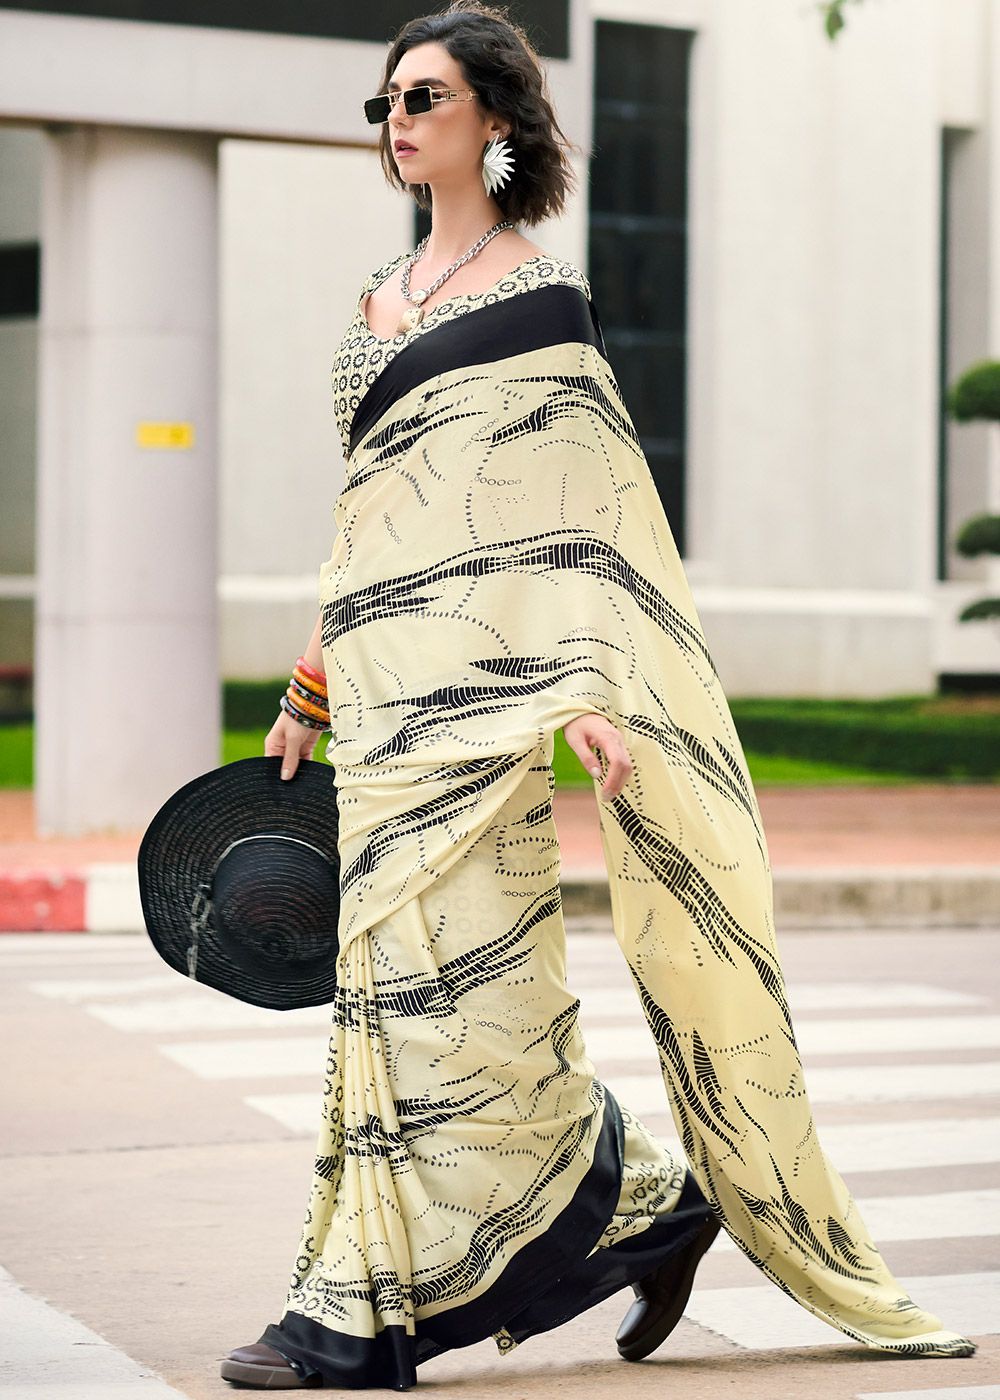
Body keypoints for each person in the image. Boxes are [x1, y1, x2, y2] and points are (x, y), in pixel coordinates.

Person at [221, 2, 977, 1388]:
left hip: (492, 705)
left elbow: (583, 533)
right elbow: (369, 521)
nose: (399, 122)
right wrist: (308, 690)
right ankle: (636, 1205)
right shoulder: (373, 302)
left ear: (496, 121)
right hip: (383, 702)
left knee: (471, 1007)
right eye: (387, 101)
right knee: (386, 997)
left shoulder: (543, 303)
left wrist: (591, 697)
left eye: (426, 97)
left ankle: (363, 1313)